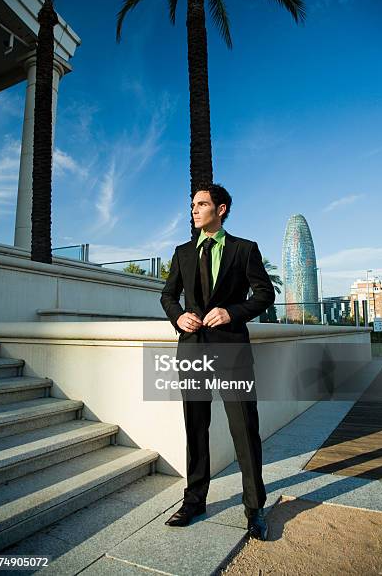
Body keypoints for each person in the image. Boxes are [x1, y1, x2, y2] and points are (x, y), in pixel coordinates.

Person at [160, 182, 275, 540]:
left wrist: (232, 312)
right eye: (193, 205)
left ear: (221, 209)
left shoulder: (244, 250)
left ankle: (254, 507)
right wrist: (178, 316)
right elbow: (168, 295)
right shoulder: (181, 252)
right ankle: (194, 501)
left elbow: (264, 294)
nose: (194, 210)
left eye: (201, 204)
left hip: (232, 352)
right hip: (192, 350)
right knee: (195, 428)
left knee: (244, 429)